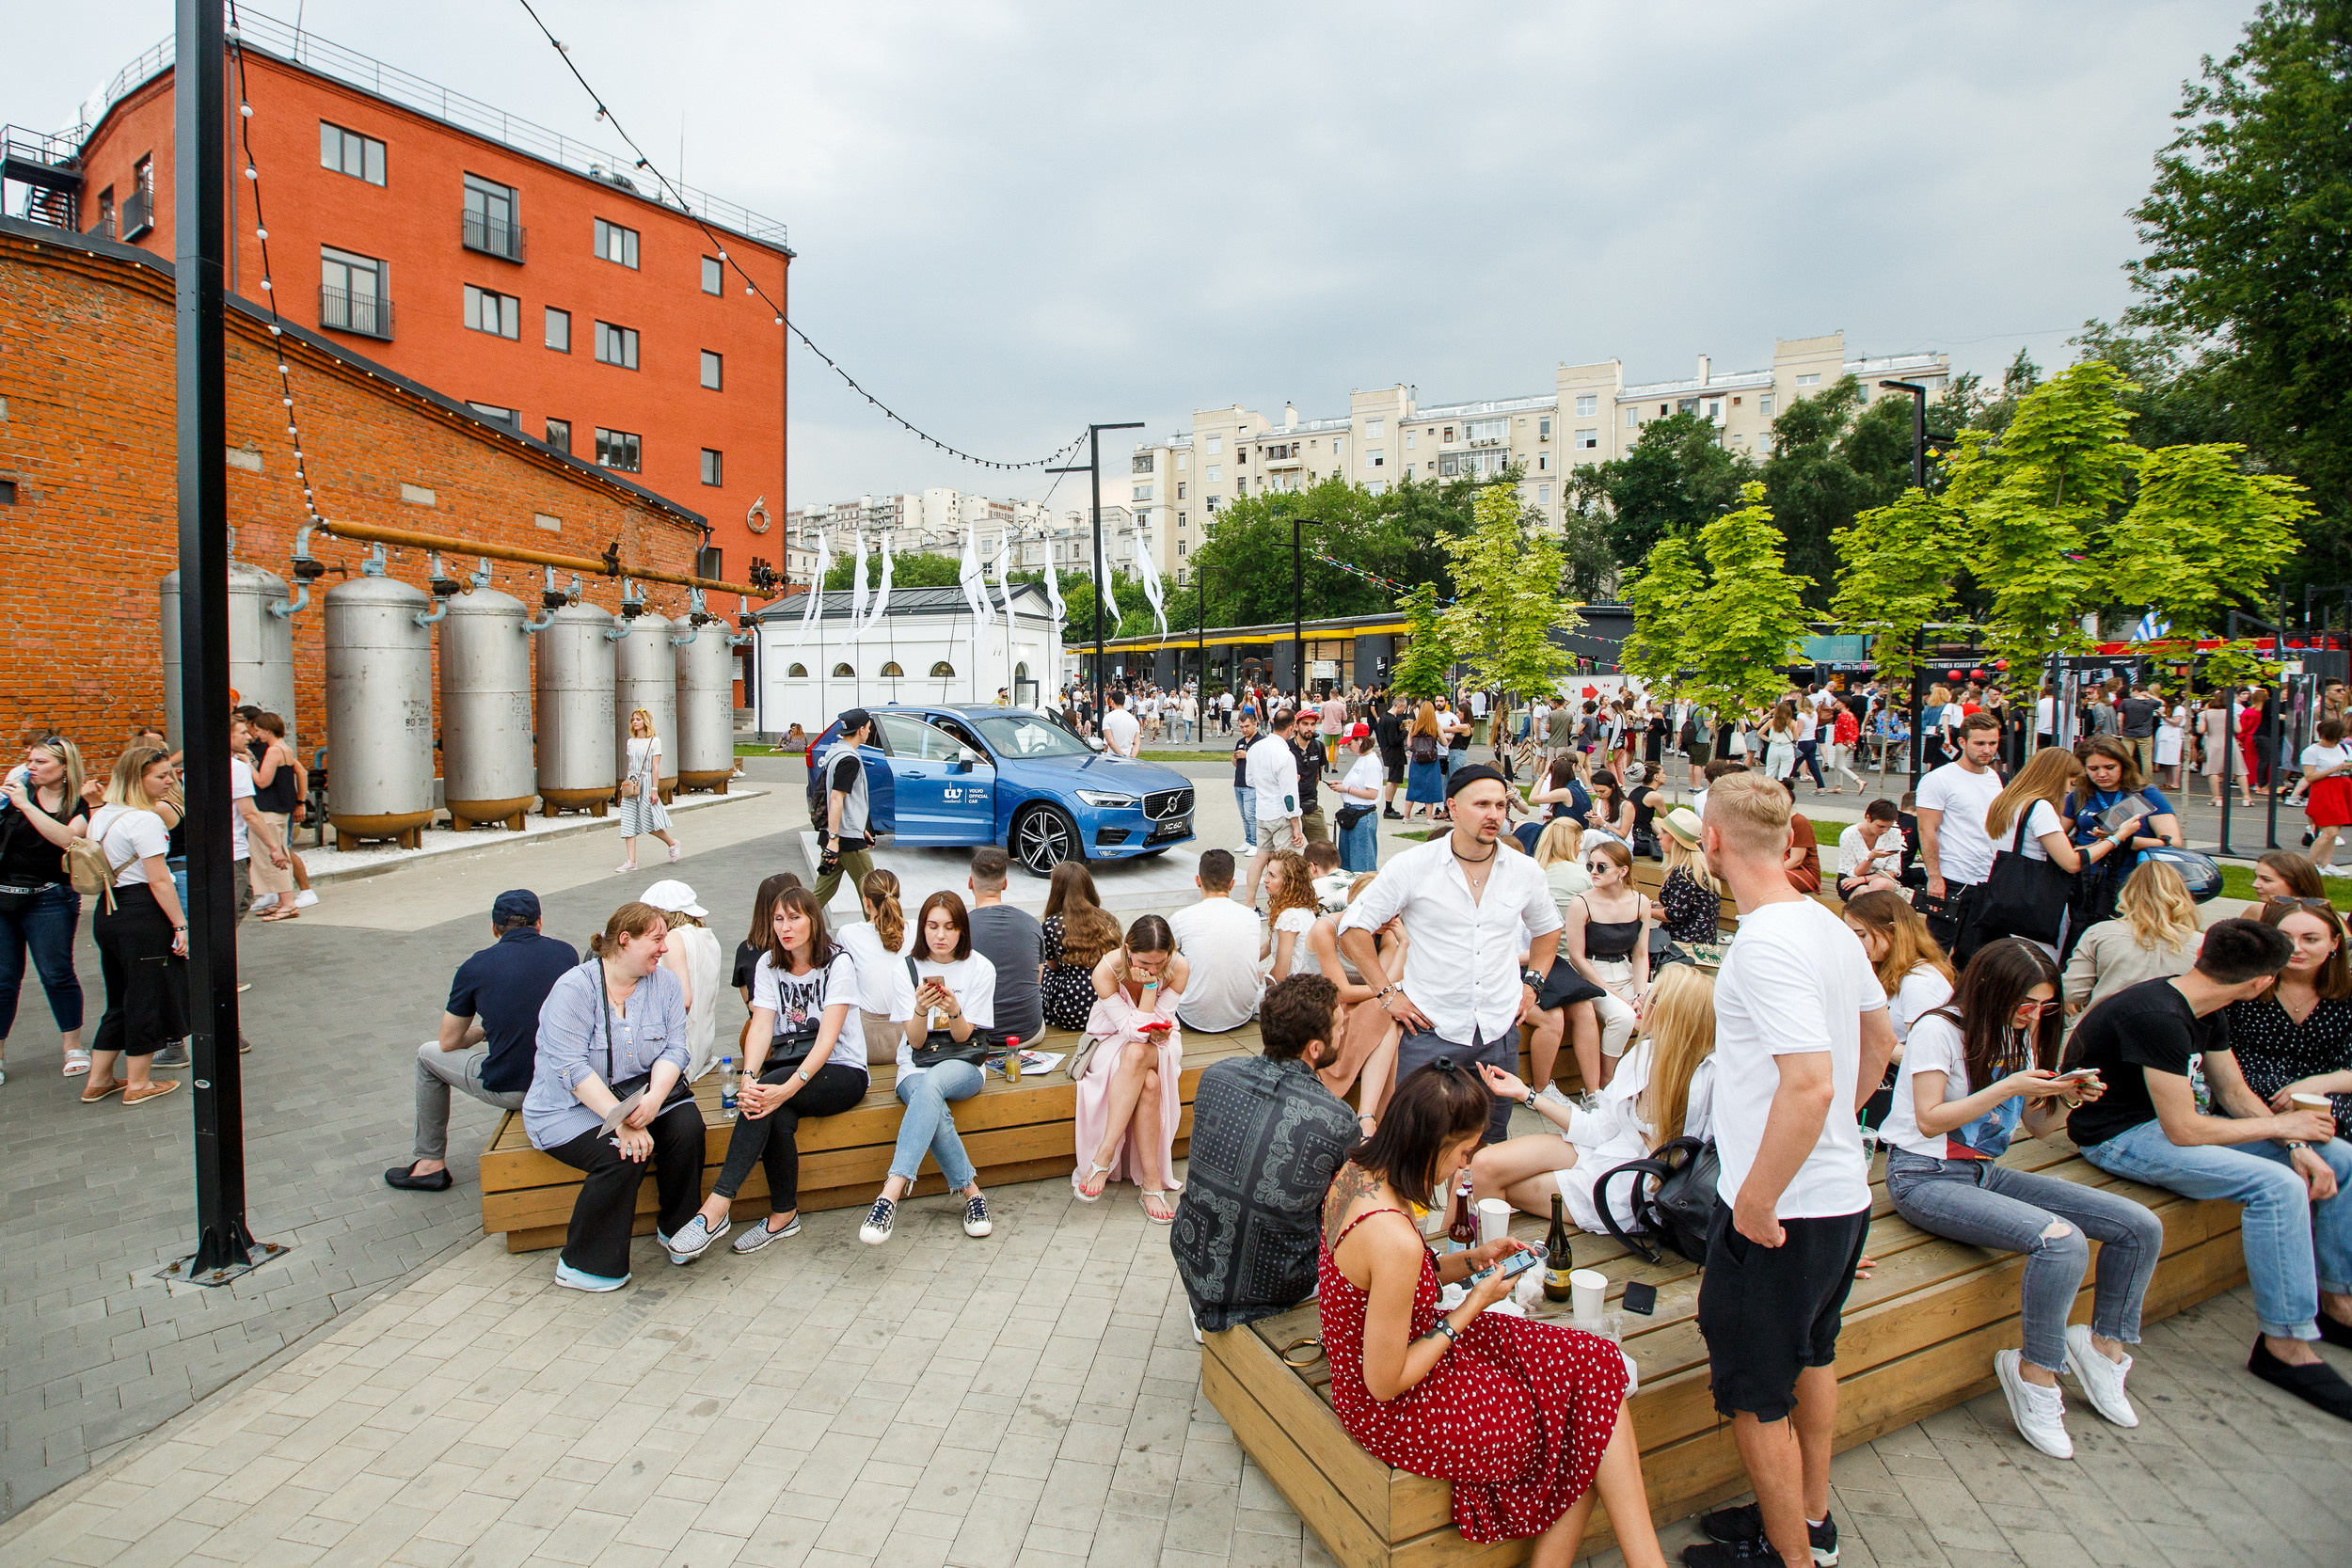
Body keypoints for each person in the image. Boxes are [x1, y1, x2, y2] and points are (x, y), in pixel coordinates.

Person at [1316, 1062, 1665, 1568]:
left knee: (1595, 1365)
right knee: (1577, 1420)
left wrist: (1467, 1264)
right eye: (1463, 1152)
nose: (1466, 1165)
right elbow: (1385, 1382)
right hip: (1393, 1403)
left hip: (1403, 1345)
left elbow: (1377, 1287)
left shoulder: (1357, 1173)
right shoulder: (1391, 1235)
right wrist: (1470, 1306)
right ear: (1431, 1144)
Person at [1685, 772, 1897, 1568]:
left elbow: (1808, 1080)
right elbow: (1876, 1046)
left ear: (1713, 840)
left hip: (1779, 1207)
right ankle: (1807, 1517)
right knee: (1813, 1353)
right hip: (1841, 1195)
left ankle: (1789, 1559)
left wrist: (1757, 1197)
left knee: (1753, 1392)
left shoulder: (1766, 944)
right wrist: (1838, 1128)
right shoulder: (1830, 926)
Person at [1878, 937, 2160, 1456]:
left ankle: (2103, 1349)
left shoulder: (2020, 1036)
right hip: (1923, 1176)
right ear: (1991, 990)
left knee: (2138, 1225)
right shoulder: (1938, 1030)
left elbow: (2041, 1128)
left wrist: (2065, 1098)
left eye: (2044, 1006)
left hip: (1983, 1173)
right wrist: (2008, 1088)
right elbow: (1928, 1117)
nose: (2033, 1015)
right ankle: (2036, 1375)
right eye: (2025, 1004)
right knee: (2062, 1241)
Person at [2068, 919, 2352, 1419]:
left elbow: (2235, 1094)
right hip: (2117, 1137)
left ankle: (2336, 1302)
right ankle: (2285, 1346)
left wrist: (2293, 1139)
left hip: (2166, 1127)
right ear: (2262, 981)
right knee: (2277, 1187)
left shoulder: (2208, 1002)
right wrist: (2285, 1134)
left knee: (2340, 1157)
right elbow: (2185, 1130)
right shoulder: (2156, 1014)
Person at [1338, 766, 1562, 1148]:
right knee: (1416, 1143)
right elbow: (1353, 930)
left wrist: (1534, 983)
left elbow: (1548, 928)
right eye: (1482, 804)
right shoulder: (1414, 866)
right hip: (1430, 1030)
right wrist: (1387, 994)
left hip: (1498, 1030)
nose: (1494, 813)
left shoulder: (1525, 871)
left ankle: (1471, 1206)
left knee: (1489, 1140)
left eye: (1500, 804)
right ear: (1453, 808)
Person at [675, 886, 867, 1259]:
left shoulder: (837, 963)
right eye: (779, 919)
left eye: (795, 917)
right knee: (773, 1113)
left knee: (770, 1092)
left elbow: (827, 1041)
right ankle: (784, 1215)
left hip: (842, 1071)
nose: (785, 927)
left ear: (814, 919)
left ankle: (715, 1209)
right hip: (786, 1070)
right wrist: (748, 1077)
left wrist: (782, 1088)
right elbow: (761, 1026)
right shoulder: (767, 964)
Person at [521, 903, 706, 1290]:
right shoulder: (574, 988)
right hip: (567, 1107)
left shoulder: (666, 984)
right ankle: (582, 1264)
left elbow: (675, 1049)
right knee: (622, 1154)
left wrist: (655, 1098)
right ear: (625, 940)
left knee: (688, 1127)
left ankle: (678, 1229)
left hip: (639, 1093)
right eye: (657, 940)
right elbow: (572, 1069)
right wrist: (619, 1122)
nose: (664, 949)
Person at [1171, 974, 1364, 1336]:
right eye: (1339, 1026)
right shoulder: (1337, 1120)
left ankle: (1212, 1302)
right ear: (1315, 1049)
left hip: (1192, 1255)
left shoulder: (1216, 1075)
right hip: (1276, 1285)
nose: (1343, 1031)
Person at [1470, 964, 1719, 1234]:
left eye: (1653, 997)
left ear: (1675, 1014)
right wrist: (1526, 1093)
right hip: (1603, 1148)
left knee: (1483, 1184)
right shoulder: (1645, 1053)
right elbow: (1600, 1127)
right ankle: (1448, 1259)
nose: (1641, 1001)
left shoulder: (1709, 1078)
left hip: (1627, 1186)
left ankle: (1475, 1257)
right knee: (1482, 1164)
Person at [388, 887, 580, 1191]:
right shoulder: (567, 953)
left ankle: (428, 1163)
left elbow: (449, 1042)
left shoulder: (475, 966)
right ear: (539, 922)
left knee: (427, 1055)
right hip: (568, 1082)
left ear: (494, 929)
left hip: (515, 1088)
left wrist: (484, 1031)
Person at [859, 891, 998, 1245]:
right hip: (915, 1065)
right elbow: (916, 1042)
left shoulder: (981, 967)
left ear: (962, 931)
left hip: (964, 1064)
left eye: (950, 927)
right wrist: (921, 1010)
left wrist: (953, 1009)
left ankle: (890, 1192)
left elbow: (966, 1036)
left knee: (933, 1082)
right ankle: (972, 1194)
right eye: (932, 926)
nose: (941, 936)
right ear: (921, 929)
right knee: (930, 1096)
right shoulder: (906, 969)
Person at [78, 746, 188, 1107]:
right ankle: (138, 1083)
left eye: (170, 774)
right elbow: (159, 880)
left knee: (118, 998)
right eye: (161, 776)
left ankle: (99, 1079)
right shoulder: (145, 820)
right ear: (136, 779)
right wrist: (180, 925)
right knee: (145, 997)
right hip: (142, 912)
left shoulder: (104, 815)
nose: (170, 782)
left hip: (108, 911)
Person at [1970, 747, 2142, 958]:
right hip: (2037, 902)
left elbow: (2047, 849)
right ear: (2056, 777)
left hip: (2006, 893)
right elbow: (2071, 862)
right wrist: (2118, 837)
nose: (2069, 790)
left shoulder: (2007, 802)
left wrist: (2101, 842)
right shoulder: (2040, 807)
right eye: (2069, 782)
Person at [1073, 914, 1191, 1222]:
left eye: (1159, 963)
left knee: (1139, 1054)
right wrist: (1152, 988)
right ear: (1127, 949)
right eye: (1144, 963)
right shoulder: (1107, 969)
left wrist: (1150, 986)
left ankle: (1104, 1154)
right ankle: (1152, 1184)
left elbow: (1158, 1024)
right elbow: (1131, 1030)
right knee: (1149, 1083)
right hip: (1111, 1039)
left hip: (1161, 1045)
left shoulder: (1179, 968)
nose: (1153, 970)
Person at [0, 735, 89, 1084]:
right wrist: (12, 798)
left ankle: (73, 1046)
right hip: (4, 897)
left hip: (49, 897)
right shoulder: (12, 796)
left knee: (56, 973)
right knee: (4, 980)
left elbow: (68, 840)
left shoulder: (77, 805)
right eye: (30, 761)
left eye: (40, 762)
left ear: (65, 769)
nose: (31, 767)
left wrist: (25, 805)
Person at [2232, 897, 2352, 1141]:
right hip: (2251, 1098)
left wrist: (2315, 1085)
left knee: (2328, 1115)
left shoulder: (2347, 994)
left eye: (2311, 939)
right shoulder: (2242, 988)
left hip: (2329, 1095)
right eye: (2285, 938)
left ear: (2334, 943)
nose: (2296, 948)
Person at [1915, 710, 2006, 954]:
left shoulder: (1997, 779)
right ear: (1962, 742)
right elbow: (1927, 830)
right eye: (1980, 743)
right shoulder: (1939, 779)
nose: (1987, 749)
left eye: (1993, 743)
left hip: (1988, 879)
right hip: (1952, 877)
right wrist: (1935, 877)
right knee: (1937, 949)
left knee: (1975, 952)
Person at [2062, 859, 2201, 1018]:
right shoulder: (2201, 944)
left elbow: (2073, 992)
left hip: (2105, 1028)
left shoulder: (2099, 933)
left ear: (2128, 892)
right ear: (2182, 895)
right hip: (2174, 1030)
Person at [1561, 840, 1651, 1077]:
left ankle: (1644, 1075)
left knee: (1667, 1003)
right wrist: (1620, 997)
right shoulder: (1580, 903)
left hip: (1627, 971)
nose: (1593, 872)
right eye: (1590, 865)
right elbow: (1577, 958)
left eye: (1602, 867)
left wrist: (1640, 994)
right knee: (1623, 1015)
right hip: (1591, 976)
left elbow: (1641, 954)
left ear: (1623, 871)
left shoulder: (1641, 902)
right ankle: (1606, 1080)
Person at [1170, 849, 1263, 1034]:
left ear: (1198, 881)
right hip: (1241, 1013)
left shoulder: (1181, 918)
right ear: (1232, 884)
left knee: (1172, 953)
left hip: (1192, 1016)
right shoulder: (1251, 917)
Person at [961, 847, 1042, 1049]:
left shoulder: (959, 929)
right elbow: (1037, 980)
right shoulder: (1031, 923)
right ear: (1005, 884)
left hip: (979, 1036)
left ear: (970, 882)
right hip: (1029, 1033)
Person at [642, 879, 724, 1078]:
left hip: (682, 1053)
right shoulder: (706, 936)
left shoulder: (673, 938)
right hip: (703, 1046)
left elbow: (684, 999)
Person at [835, 868, 914, 1063]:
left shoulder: (848, 934)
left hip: (867, 1042)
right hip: (911, 1037)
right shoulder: (916, 928)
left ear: (866, 901)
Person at [1041, 862, 1124, 1032]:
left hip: (1071, 1011)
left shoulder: (1052, 924)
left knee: (1045, 971)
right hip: (1107, 1008)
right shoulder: (1107, 920)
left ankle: (1047, 1017)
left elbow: (1053, 966)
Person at [246, 713, 310, 920]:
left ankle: (288, 903)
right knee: (280, 854)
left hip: (269, 812)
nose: (255, 734)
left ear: (266, 729)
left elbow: (263, 781)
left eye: (256, 729)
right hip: (281, 812)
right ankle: (283, 901)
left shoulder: (274, 751)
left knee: (271, 857)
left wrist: (246, 763)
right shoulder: (286, 749)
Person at [812, 709, 877, 907]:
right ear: (861, 730)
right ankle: (879, 934)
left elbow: (843, 800)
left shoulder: (835, 754)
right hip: (845, 840)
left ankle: (786, 928)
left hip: (839, 835)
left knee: (818, 897)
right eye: (868, 728)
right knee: (873, 894)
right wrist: (834, 839)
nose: (869, 732)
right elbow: (836, 798)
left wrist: (859, 828)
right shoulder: (849, 760)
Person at [1244, 708, 1306, 907]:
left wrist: (1268, 783)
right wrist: (1295, 824)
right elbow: (1289, 795)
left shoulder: (1255, 748)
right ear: (1291, 728)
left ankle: (1250, 902)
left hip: (1263, 812)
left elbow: (1250, 780)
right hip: (1281, 814)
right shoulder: (1285, 756)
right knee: (1287, 863)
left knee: (1260, 858)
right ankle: (1285, 904)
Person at [614, 708, 681, 873]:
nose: (634, 722)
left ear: (645, 721)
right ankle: (632, 861)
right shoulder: (631, 742)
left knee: (649, 822)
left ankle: (672, 843)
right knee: (628, 822)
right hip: (633, 784)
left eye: (638, 719)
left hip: (646, 783)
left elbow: (655, 767)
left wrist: (654, 790)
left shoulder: (654, 741)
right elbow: (630, 766)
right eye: (633, 720)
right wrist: (626, 788)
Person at [2300, 719, 2352, 876]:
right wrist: (2336, 768)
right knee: (2330, 832)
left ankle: (2326, 863)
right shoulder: (2311, 751)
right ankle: (2311, 864)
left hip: (2341, 788)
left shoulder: (2343, 748)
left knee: (2335, 830)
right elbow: (2310, 777)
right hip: (2324, 791)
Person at [1264, 851, 1322, 982]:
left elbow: (1280, 974)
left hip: (1296, 991)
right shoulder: (1303, 908)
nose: (1265, 879)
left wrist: (1260, 979)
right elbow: (1266, 947)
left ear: (1289, 882)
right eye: (1267, 873)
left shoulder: (1289, 917)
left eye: (1272, 875)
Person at [1835, 800, 1907, 901]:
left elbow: (1892, 872)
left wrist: (1864, 879)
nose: (1885, 831)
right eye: (1881, 826)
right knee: (1868, 895)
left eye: (1889, 827)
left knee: (1880, 885)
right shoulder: (1849, 834)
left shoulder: (1894, 834)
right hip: (1851, 879)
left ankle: (1873, 914)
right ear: (1868, 818)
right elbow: (1854, 873)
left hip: (1881, 879)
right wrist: (1870, 858)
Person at [1334, 729, 1384, 874]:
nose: (1348, 747)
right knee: (1347, 864)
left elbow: (1372, 793)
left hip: (1362, 815)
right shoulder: (1362, 759)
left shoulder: (1372, 762)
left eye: (1350, 744)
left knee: (1362, 866)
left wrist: (1346, 789)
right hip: (1352, 814)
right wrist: (1342, 786)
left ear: (1360, 741)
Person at [1404, 701, 1445, 822]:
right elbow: (1444, 742)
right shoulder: (1435, 725)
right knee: (1430, 787)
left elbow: (1409, 744)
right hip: (1431, 761)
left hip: (1416, 760)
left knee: (1413, 786)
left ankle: (1406, 816)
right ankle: (1429, 817)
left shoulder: (1414, 725)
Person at [1230, 711, 1262, 854]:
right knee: (1244, 815)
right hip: (1239, 782)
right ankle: (1248, 840)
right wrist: (1235, 757)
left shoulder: (1260, 741)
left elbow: (1262, 763)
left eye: (1247, 726)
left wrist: (1247, 755)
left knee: (1251, 815)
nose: (1244, 730)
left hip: (1251, 785)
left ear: (1254, 724)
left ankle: (1256, 843)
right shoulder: (1240, 742)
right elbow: (1235, 763)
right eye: (1241, 727)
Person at [1375, 696, 1409, 819]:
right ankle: (1388, 808)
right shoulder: (1391, 720)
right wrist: (1406, 731)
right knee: (1393, 780)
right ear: (1399, 705)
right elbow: (1394, 740)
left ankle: (1389, 807)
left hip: (1389, 751)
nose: (1403, 711)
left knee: (1394, 780)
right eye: (1404, 708)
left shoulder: (1384, 717)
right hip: (1394, 753)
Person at [2253, 849, 2328, 901]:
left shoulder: (2315, 921)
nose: (2255, 885)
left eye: (2266, 880)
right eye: (2256, 877)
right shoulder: (2255, 912)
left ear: (2299, 883)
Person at [1102, 689, 1140, 758]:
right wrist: (1132, 756)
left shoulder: (1108, 718)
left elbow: (1110, 741)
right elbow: (1137, 743)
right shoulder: (1133, 719)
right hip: (1129, 756)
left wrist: (1122, 756)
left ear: (1112, 701)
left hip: (1112, 757)